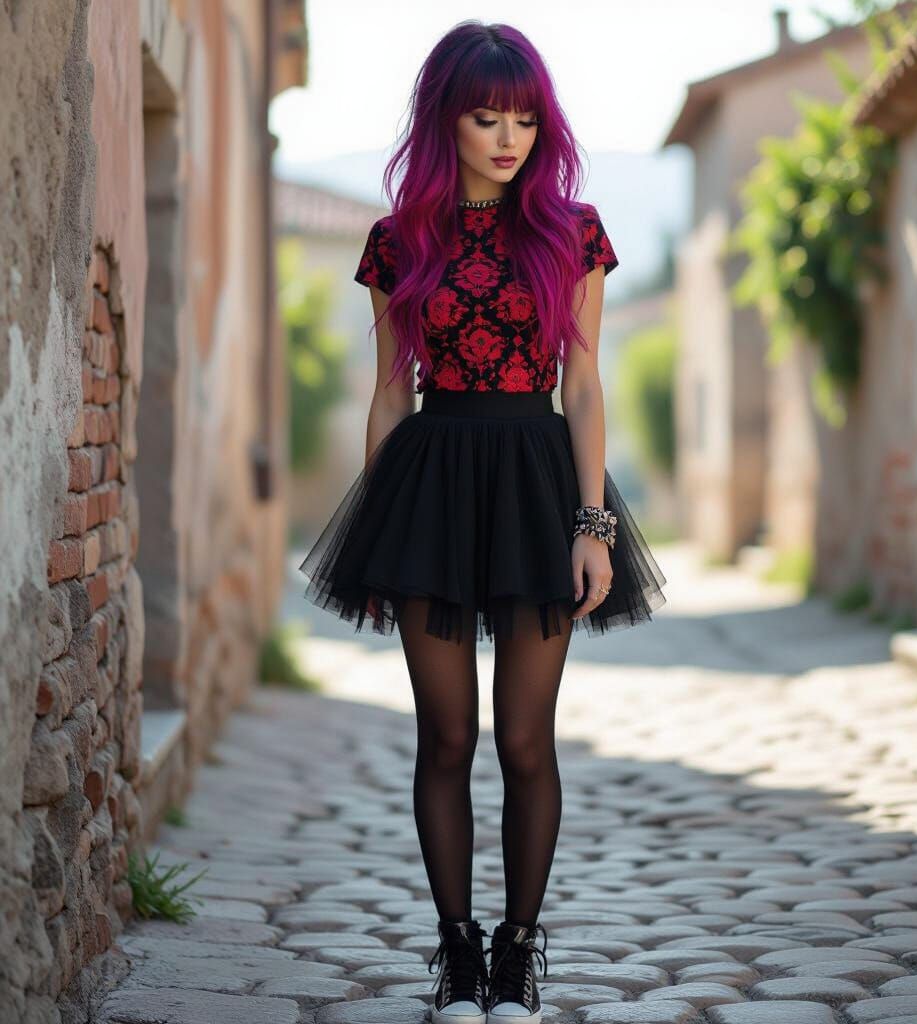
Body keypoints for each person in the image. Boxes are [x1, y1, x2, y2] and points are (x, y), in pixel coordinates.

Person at [299, 20, 667, 1024]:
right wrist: (375, 525)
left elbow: (584, 385)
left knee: (526, 742)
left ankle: (516, 955)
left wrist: (592, 523)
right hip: (429, 481)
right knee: (445, 737)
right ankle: (457, 955)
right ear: (445, 121)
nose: (507, 136)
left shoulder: (570, 230)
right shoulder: (399, 240)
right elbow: (387, 393)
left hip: (537, 487)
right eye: (484, 116)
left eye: (523, 118)